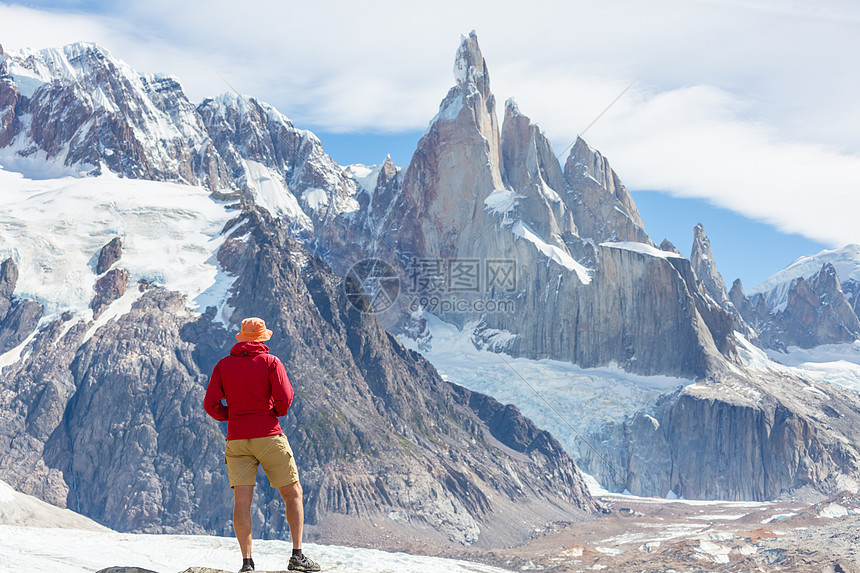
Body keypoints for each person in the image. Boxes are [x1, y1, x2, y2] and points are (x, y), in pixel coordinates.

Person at [204, 317, 320, 572]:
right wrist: (271, 413)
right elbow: (285, 399)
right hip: (268, 435)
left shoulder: (223, 366)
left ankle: (247, 563)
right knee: (293, 493)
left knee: (242, 500)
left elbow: (210, 404)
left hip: (236, 440)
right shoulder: (271, 363)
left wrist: (232, 416)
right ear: (262, 338)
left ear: (242, 338)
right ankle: (297, 557)